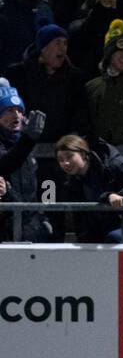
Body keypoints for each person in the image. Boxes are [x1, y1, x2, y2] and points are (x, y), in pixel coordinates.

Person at [53, 132, 123, 243]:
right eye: (60, 159)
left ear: (83, 154)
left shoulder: (116, 166)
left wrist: (118, 196)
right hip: (95, 236)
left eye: (70, 156)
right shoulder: (69, 182)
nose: (65, 163)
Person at [0, 83, 47, 241]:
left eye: (20, 110)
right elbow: (5, 164)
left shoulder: (27, 143)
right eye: (10, 110)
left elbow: (44, 184)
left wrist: (44, 216)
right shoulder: (27, 142)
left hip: (30, 223)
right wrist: (28, 140)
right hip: (4, 224)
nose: (17, 115)